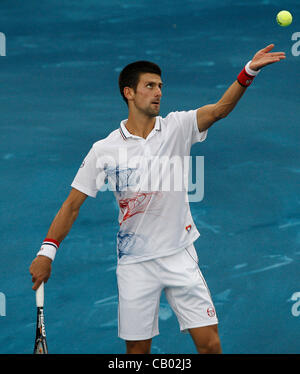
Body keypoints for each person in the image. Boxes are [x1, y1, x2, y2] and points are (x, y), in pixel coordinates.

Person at [29, 44, 285, 354]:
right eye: (149, 86)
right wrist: (47, 252)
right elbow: (72, 204)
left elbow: (219, 109)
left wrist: (249, 71)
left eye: (160, 86)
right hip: (135, 262)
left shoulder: (177, 126)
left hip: (179, 254)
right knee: (137, 352)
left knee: (210, 345)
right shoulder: (104, 150)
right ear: (129, 93)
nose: (158, 92)